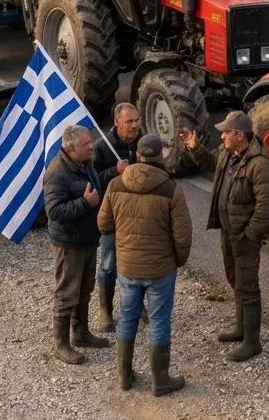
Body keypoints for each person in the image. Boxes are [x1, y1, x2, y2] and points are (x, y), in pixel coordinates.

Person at [98, 133, 192, 396]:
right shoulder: (172, 189)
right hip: (160, 269)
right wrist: (177, 261)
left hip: (128, 267)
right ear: (159, 157)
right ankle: (160, 381)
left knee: (127, 317)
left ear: (137, 156)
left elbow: (103, 225)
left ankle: (125, 377)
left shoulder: (116, 185)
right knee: (160, 320)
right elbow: (183, 237)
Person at [181, 110, 269, 361]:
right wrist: (195, 148)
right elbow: (210, 163)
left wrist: (250, 235)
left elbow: (266, 209)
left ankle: (252, 342)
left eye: (226, 132)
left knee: (248, 286)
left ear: (239, 135)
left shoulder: (259, 165)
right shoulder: (228, 153)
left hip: (244, 237)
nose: (221, 136)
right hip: (228, 231)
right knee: (235, 279)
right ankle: (240, 328)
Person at [43, 125, 110, 365]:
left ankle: (81, 333)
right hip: (69, 243)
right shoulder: (57, 173)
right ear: (71, 149)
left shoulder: (85, 164)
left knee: (84, 288)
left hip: (88, 238)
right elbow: (53, 211)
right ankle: (61, 344)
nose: (92, 146)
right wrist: (84, 203)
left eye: (90, 142)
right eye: (86, 144)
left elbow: (96, 185)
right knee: (67, 292)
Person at [93, 102, 142, 332]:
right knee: (109, 263)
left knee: (137, 262)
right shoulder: (103, 148)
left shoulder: (144, 143)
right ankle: (106, 311)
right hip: (113, 214)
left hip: (139, 215)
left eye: (137, 120)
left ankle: (137, 306)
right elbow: (93, 181)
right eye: (129, 122)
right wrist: (115, 172)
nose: (134, 126)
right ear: (116, 122)